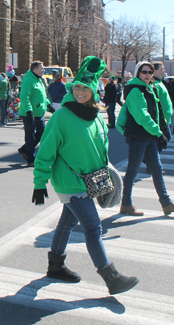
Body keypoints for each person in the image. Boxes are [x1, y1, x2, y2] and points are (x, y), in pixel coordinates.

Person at [32, 56, 139, 296]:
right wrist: (39, 183)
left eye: (85, 88)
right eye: (77, 86)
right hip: (71, 183)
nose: (80, 91)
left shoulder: (96, 116)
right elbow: (46, 151)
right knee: (93, 228)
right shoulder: (62, 116)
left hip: (90, 182)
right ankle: (111, 277)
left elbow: (100, 150)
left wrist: (107, 174)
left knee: (67, 222)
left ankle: (55, 266)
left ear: (94, 91)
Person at [116, 61, 174, 216]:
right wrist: (158, 132)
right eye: (144, 72)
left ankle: (167, 203)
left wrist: (157, 131)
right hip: (138, 137)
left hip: (148, 136)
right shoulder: (135, 90)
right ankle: (126, 204)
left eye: (150, 72)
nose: (148, 74)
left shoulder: (148, 88)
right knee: (132, 171)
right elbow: (142, 116)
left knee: (157, 169)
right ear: (137, 73)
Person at [18, 61, 49, 167]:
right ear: (35, 70)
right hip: (30, 113)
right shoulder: (28, 80)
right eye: (41, 68)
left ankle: (24, 149)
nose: (43, 70)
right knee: (30, 136)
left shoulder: (39, 79)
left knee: (42, 133)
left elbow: (41, 96)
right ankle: (30, 158)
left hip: (39, 113)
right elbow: (24, 97)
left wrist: (49, 106)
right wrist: (29, 111)